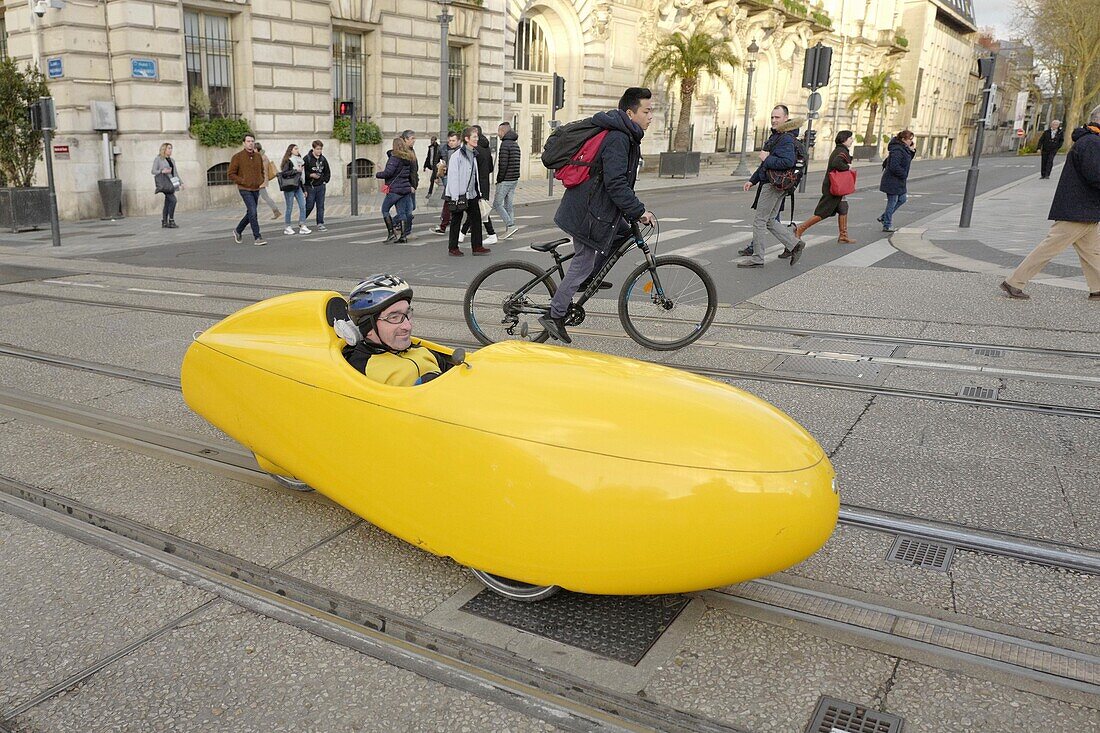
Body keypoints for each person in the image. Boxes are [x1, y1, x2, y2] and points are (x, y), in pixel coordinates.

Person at [542, 87, 656, 343]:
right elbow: (616, 183)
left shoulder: (627, 135)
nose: (651, 116)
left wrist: (630, 214)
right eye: (647, 111)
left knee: (621, 236)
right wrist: (638, 211)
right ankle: (555, 314)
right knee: (582, 262)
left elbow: (614, 182)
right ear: (630, 112)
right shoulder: (619, 138)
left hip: (596, 209)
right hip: (587, 212)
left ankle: (588, 279)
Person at [1001, 105, 1100, 301]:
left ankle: (1097, 288)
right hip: (1079, 210)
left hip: (1082, 208)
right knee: (1049, 248)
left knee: (1092, 252)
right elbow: (1095, 175)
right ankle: (1014, 282)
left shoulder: (1089, 140)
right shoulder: (1092, 143)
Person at [342, 274, 454, 386]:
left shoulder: (423, 351)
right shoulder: (361, 370)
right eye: (394, 317)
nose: (407, 326)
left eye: (407, 314)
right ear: (368, 327)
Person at [737, 104, 806, 268]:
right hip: (776, 183)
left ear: (785, 119)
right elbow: (766, 164)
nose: (774, 120)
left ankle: (757, 258)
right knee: (769, 221)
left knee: (760, 221)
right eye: (772, 117)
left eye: (777, 117)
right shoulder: (779, 136)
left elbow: (786, 162)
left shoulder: (785, 138)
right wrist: (752, 180)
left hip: (773, 184)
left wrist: (766, 159)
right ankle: (794, 244)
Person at [794, 130, 857, 244]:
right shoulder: (841, 151)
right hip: (833, 187)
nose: (852, 140)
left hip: (835, 187)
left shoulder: (840, 150)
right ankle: (800, 229)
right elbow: (836, 164)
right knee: (822, 212)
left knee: (843, 208)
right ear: (844, 139)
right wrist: (847, 167)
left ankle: (843, 235)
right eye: (850, 138)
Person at [444, 126, 491, 257]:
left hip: (472, 194)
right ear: (467, 138)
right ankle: (453, 247)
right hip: (459, 194)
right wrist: (455, 197)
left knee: (476, 219)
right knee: (456, 221)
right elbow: (453, 177)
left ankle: (477, 246)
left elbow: (474, 175)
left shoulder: (474, 154)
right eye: (474, 137)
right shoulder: (457, 156)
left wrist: (479, 193)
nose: (477, 139)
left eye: (477, 136)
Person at [459, 125, 498, 245]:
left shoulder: (475, 151)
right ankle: (490, 234)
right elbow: (490, 167)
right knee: (480, 210)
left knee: (476, 210)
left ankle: (462, 234)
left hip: (477, 185)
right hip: (484, 183)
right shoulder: (486, 148)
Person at [228, 133, 267, 246]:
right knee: (253, 211)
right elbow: (231, 174)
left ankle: (238, 230)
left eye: (252, 141)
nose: (251, 143)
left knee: (251, 212)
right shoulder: (238, 157)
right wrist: (243, 181)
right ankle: (257, 237)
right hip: (244, 188)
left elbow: (261, 170)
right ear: (244, 143)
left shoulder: (258, 156)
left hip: (256, 187)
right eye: (248, 141)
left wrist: (261, 179)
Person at [377, 136, 417, 244]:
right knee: (402, 212)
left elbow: (388, 173)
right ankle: (403, 236)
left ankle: (391, 234)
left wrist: (378, 173)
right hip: (405, 188)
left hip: (395, 189)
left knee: (385, 210)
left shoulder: (394, 158)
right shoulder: (408, 158)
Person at [878, 129, 916, 233]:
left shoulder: (903, 148)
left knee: (902, 199)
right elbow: (894, 166)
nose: (911, 142)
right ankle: (887, 224)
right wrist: (903, 174)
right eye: (910, 139)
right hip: (893, 180)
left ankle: (884, 217)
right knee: (892, 201)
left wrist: (912, 150)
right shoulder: (897, 150)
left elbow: (907, 159)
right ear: (903, 139)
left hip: (898, 180)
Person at [430, 132, 461, 235]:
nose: (451, 143)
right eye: (450, 141)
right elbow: (436, 162)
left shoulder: (462, 152)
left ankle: (445, 224)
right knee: (448, 200)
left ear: (459, 141)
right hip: (446, 176)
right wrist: (436, 175)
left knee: (451, 201)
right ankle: (445, 223)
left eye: (453, 141)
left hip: (458, 180)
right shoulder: (443, 148)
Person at [494, 122, 521, 239]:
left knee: (497, 204)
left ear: (503, 131)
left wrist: (499, 179)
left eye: (499, 131)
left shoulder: (505, 145)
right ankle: (510, 228)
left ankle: (510, 225)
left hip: (506, 179)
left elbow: (503, 165)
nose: (498, 133)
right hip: (514, 178)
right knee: (508, 205)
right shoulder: (515, 144)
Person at [279, 144, 310, 236]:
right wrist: (296, 170)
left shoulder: (300, 161)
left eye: (298, 148)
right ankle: (287, 227)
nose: (297, 150)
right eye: (295, 149)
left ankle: (302, 224)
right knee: (289, 207)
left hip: (298, 186)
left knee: (303, 205)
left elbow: (300, 177)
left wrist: (304, 189)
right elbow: (284, 173)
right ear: (291, 150)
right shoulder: (288, 161)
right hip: (289, 187)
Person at [151, 142, 181, 229]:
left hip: (172, 182)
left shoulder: (172, 160)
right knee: (173, 200)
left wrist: (180, 183)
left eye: (171, 148)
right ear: (164, 149)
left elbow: (175, 173)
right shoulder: (158, 159)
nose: (170, 150)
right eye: (169, 148)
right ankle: (171, 220)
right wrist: (162, 171)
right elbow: (153, 171)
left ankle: (164, 221)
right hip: (165, 183)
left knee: (168, 202)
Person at [303, 139, 331, 231]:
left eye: (321, 149)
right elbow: (303, 173)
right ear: (313, 149)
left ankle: (320, 223)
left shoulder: (323, 159)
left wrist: (325, 181)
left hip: (321, 186)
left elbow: (327, 171)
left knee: (320, 205)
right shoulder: (307, 159)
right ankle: (302, 221)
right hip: (310, 186)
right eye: (318, 149)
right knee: (309, 205)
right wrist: (311, 175)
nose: (319, 151)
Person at [253, 143, 282, 221]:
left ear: (257, 149)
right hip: (261, 180)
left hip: (260, 181)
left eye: (254, 149)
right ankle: (276, 211)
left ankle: (276, 211)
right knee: (259, 197)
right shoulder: (262, 156)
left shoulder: (260, 157)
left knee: (262, 197)